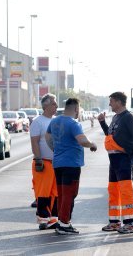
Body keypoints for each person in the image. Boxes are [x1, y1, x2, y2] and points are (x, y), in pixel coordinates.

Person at [45, 98, 97, 235]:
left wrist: (55, 150)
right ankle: (64, 224)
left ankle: (61, 221)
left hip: (58, 163)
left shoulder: (54, 121)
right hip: (71, 164)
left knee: (62, 194)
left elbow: (47, 137)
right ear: (76, 109)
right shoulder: (74, 124)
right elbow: (82, 140)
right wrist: (92, 144)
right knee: (70, 194)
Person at [98, 91, 133, 234]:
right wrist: (102, 123)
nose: (109, 104)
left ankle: (130, 223)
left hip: (124, 159)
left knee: (126, 192)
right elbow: (111, 135)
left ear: (118, 102)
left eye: (111, 101)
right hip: (114, 160)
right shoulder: (116, 117)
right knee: (113, 191)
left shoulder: (129, 118)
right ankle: (115, 222)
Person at [30, 93, 58, 230]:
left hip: (56, 162)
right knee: (43, 192)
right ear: (46, 106)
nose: (56, 106)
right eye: (54, 103)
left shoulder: (56, 120)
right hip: (43, 163)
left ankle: (53, 219)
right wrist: (38, 159)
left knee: (55, 192)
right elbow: (34, 142)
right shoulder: (38, 121)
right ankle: (42, 218)